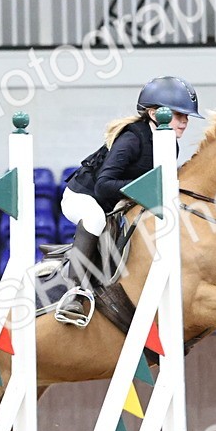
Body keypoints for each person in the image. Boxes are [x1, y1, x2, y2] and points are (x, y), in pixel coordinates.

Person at [55, 75, 201, 327]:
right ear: (155, 113)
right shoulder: (131, 139)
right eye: (179, 115)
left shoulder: (170, 145)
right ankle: (73, 293)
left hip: (117, 201)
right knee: (95, 219)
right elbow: (103, 186)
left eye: (186, 116)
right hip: (84, 197)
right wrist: (149, 189)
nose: (185, 122)